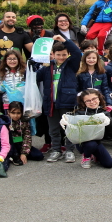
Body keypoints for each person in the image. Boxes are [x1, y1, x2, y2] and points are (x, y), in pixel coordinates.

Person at [35, 35, 83, 163]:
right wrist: (34, 63)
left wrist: (64, 41)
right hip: (50, 103)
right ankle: (56, 150)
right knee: (53, 130)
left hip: (67, 103)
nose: (61, 57)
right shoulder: (46, 67)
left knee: (69, 128)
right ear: (53, 54)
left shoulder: (72, 65)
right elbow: (34, 77)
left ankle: (69, 151)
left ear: (68, 54)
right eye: (58, 55)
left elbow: (77, 52)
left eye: (64, 55)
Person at [60, 89, 112, 169]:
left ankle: (94, 155)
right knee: (91, 144)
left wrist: (109, 121)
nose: (92, 102)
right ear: (84, 102)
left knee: (109, 164)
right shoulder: (79, 113)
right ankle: (86, 156)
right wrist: (65, 123)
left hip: (97, 142)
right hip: (82, 142)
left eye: (94, 99)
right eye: (88, 101)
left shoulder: (103, 113)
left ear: (99, 99)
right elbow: (70, 130)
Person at [6, 101, 44, 166]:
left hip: (20, 144)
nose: (15, 115)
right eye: (13, 113)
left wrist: (24, 153)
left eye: (18, 113)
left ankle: (19, 155)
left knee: (39, 155)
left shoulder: (24, 122)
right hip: (9, 145)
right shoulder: (5, 121)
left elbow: (27, 138)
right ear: (8, 112)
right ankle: (13, 155)